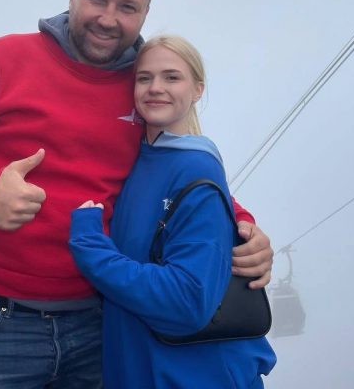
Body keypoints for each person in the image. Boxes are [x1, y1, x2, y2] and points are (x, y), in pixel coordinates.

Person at [0, 0, 273, 389]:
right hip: (0, 324)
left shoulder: (143, 83)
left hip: (105, 322)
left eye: (127, 7)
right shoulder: (4, 59)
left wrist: (242, 224)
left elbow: (173, 168)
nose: (108, 18)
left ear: (144, 14)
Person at [69, 35, 276, 388]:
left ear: (197, 89)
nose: (155, 87)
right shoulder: (142, 158)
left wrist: (90, 246)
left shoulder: (195, 166)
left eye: (172, 77)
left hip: (196, 375)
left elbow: (187, 302)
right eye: (144, 78)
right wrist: (242, 218)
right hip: (144, 366)